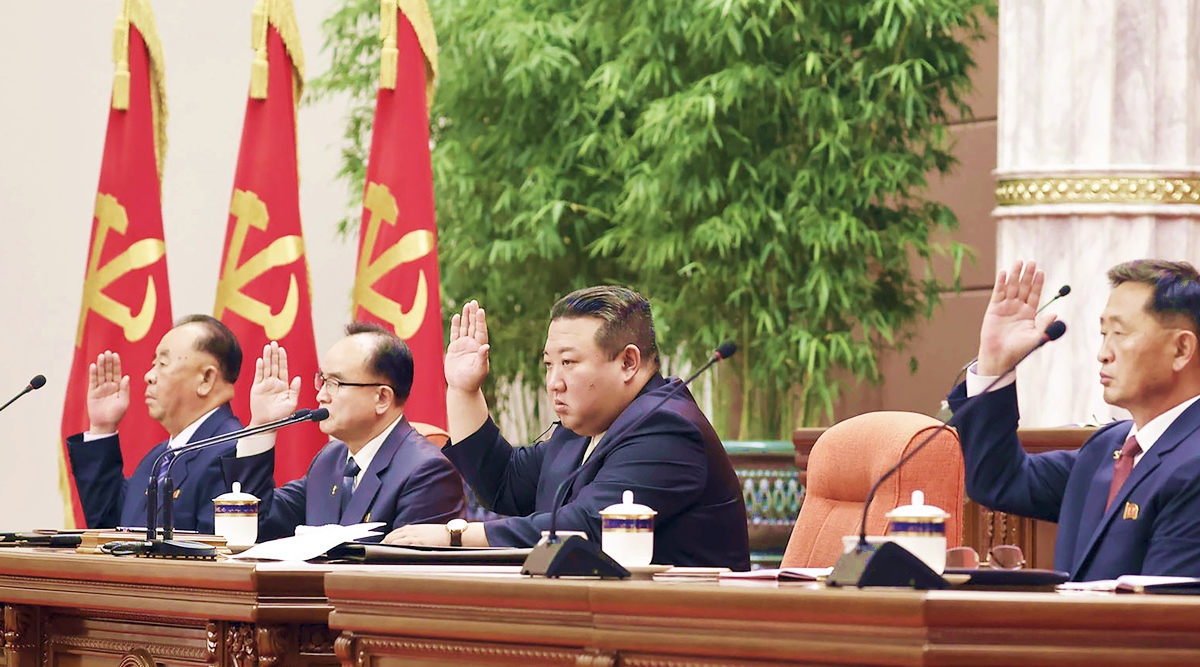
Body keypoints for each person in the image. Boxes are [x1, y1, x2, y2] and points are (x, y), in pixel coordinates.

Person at [385, 286, 751, 570]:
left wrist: (455, 536)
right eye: (549, 364)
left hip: (681, 635)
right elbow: (504, 485)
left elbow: (588, 527)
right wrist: (464, 389)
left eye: (569, 363)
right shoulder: (584, 426)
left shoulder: (667, 428)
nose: (554, 382)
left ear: (628, 362)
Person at [950, 259, 1200, 581]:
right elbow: (998, 480)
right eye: (1103, 333)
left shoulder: (1193, 464)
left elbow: (1167, 614)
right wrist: (994, 362)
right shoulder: (1106, 448)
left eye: (1120, 333)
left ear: (1181, 349)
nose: (1103, 353)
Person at [225, 323, 466, 541]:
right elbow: (258, 524)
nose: (321, 396)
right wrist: (262, 426)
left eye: (335, 384)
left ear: (382, 397)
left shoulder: (427, 471)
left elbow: (405, 576)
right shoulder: (331, 459)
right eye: (322, 380)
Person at [68, 315, 245, 534]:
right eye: (154, 364)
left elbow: (216, 558)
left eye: (162, 364)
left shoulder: (232, 453)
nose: (149, 376)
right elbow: (110, 529)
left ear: (206, 379)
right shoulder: (158, 458)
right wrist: (102, 428)